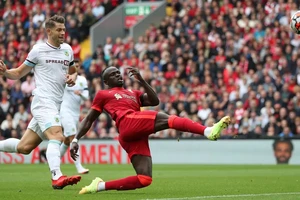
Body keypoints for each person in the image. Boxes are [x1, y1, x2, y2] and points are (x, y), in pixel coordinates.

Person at [70, 66, 231, 194]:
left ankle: (99, 186)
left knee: (144, 179)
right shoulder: (103, 94)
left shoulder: (133, 93)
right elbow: (89, 118)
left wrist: (142, 80)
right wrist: (76, 139)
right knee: (168, 119)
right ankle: (207, 131)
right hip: (127, 122)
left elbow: (154, 100)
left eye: (119, 73)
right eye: (113, 74)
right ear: (106, 81)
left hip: (130, 134)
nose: (118, 75)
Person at [0, 15, 81, 189]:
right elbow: (19, 73)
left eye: (64, 29)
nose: (62, 32)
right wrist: (5, 72)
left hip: (55, 105)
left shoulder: (68, 50)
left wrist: (72, 77)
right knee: (57, 135)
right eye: (59, 30)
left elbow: (74, 70)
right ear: (49, 31)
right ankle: (56, 177)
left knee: (24, 147)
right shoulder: (38, 50)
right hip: (43, 101)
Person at [60, 60, 89, 174]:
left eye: (77, 66)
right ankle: (79, 166)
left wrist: (80, 94)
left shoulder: (82, 80)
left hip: (76, 113)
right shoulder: (64, 79)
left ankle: (54, 160)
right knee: (73, 136)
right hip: (64, 110)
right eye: (74, 66)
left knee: (67, 140)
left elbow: (86, 98)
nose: (75, 68)